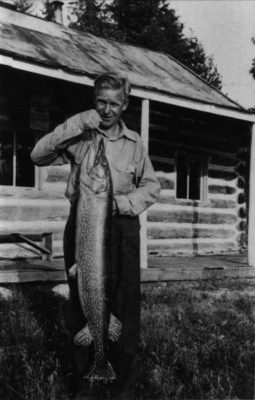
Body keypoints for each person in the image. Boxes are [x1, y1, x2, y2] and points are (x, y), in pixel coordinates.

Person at [31, 72, 161, 399]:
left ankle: (121, 387)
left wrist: (123, 203)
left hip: (122, 228)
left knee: (125, 304)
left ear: (125, 105)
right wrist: (76, 122)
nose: (106, 110)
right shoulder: (81, 135)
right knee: (81, 302)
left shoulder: (134, 144)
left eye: (114, 104)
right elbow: (38, 155)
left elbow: (152, 186)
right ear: (93, 101)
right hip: (84, 223)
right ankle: (84, 384)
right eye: (101, 102)